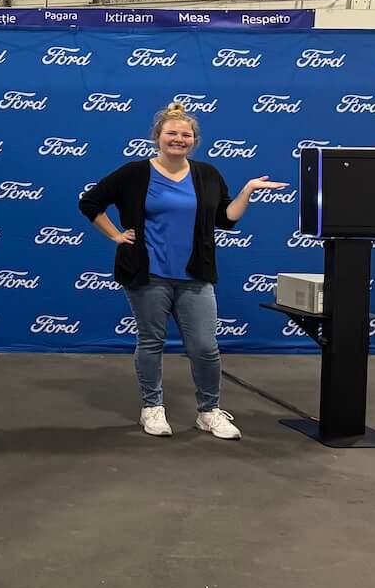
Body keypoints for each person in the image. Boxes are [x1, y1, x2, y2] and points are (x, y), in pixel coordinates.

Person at [78, 100, 287, 440]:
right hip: (148, 274)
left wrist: (248, 190)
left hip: (195, 276)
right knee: (151, 342)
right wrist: (116, 235)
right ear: (157, 137)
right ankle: (152, 408)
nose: (178, 139)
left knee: (205, 346)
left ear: (194, 140)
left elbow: (226, 218)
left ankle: (209, 412)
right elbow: (90, 202)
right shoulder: (134, 173)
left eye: (185, 134)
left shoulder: (207, 175)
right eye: (171, 133)